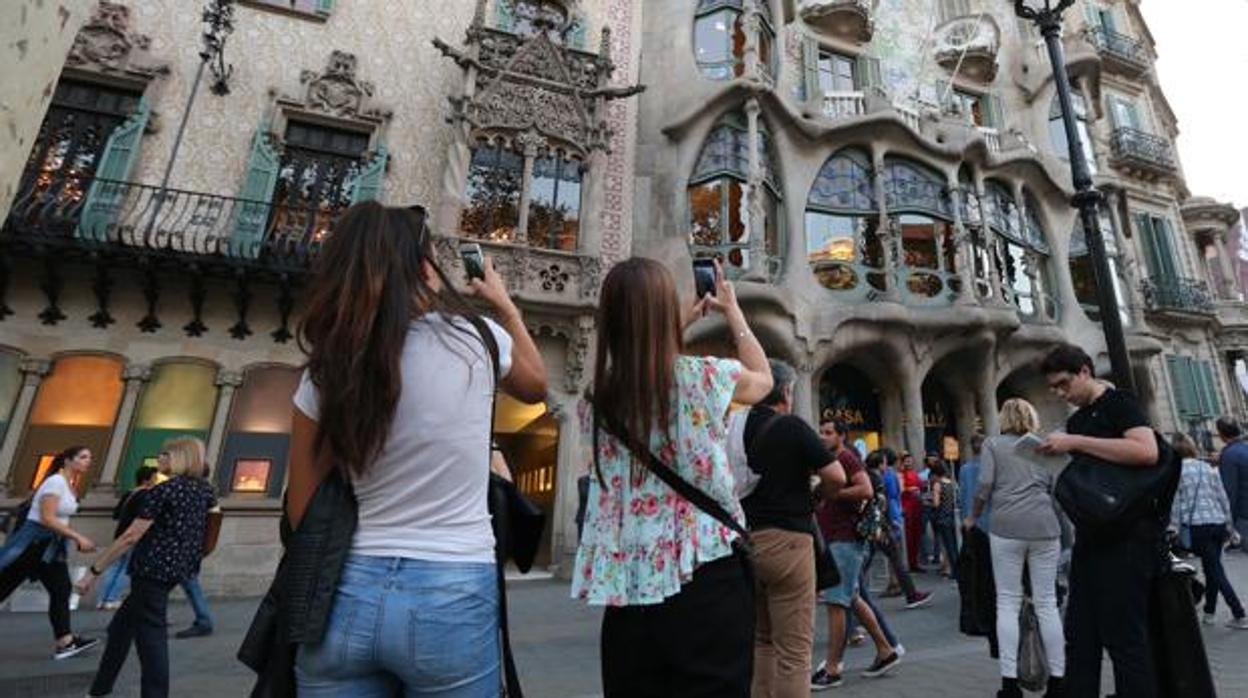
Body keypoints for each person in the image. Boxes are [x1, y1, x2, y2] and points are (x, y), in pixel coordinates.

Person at [279, 203, 548, 695]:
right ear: (425, 268)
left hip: (343, 593)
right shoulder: (478, 341)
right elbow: (536, 385)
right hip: (452, 589)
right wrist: (504, 306)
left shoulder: (328, 368)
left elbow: (303, 512)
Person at [574, 257, 773, 698]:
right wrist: (733, 312)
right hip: (704, 575)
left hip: (628, 585)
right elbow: (764, 379)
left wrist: (665, 320)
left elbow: (641, 365)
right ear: (665, 317)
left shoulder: (596, 400)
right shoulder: (702, 377)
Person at [1038, 345, 1162, 698]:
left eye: (1064, 384)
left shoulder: (1119, 403)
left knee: (1125, 638)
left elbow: (1145, 450)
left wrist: (1075, 441)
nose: (1061, 393)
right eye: (1054, 388)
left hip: (1128, 536)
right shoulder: (1079, 418)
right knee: (1080, 633)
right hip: (1092, 536)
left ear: (1084, 372)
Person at [77, 437, 217, 698]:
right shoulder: (204, 491)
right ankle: (99, 689)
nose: (159, 459)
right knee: (120, 629)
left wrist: (94, 571)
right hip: (178, 568)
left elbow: (131, 535)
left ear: (178, 457)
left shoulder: (163, 490)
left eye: (164, 454)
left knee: (151, 640)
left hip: (151, 569)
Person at [741, 359, 846, 698]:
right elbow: (836, 477)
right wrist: (818, 497)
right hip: (788, 541)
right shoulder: (791, 427)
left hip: (746, 542)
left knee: (762, 641)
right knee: (795, 653)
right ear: (786, 391)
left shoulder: (736, 427)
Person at [968, 398, 1065, 698]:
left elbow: (985, 484)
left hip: (1006, 526)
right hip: (1044, 526)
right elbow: (1057, 485)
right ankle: (1059, 681)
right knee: (1047, 602)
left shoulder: (993, 445)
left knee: (1007, 603)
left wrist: (973, 514)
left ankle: (1010, 684)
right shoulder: (1042, 445)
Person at [811, 420, 902, 689]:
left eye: (829, 432)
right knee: (850, 597)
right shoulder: (830, 459)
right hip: (836, 538)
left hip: (846, 539)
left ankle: (832, 668)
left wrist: (833, 493)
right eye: (822, 432)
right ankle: (886, 651)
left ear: (841, 436)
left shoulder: (846, 458)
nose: (823, 436)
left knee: (836, 602)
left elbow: (865, 489)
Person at [0, 446, 99, 660]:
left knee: (61, 589)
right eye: (82, 457)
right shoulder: (55, 482)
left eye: (89, 458)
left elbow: (60, 518)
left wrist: (70, 537)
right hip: (34, 544)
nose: (87, 461)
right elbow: (47, 517)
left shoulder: (68, 484)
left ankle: (65, 642)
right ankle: (65, 642)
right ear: (67, 460)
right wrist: (77, 537)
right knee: (4, 585)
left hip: (50, 546)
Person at [1169, 432, 1248, 628]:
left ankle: (1239, 613)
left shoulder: (1175, 472)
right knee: (1212, 565)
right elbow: (1223, 499)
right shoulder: (1208, 468)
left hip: (1197, 527)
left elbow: (1175, 505)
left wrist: (1173, 529)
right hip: (1217, 523)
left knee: (1215, 569)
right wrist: (1230, 527)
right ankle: (1210, 612)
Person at [97, 465, 159, 610]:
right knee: (126, 568)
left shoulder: (129, 493)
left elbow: (116, 514)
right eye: (154, 478)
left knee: (114, 565)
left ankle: (102, 599)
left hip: (120, 533)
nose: (156, 481)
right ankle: (112, 598)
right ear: (147, 479)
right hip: (133, 534)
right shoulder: (146, 495)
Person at [877, 448, 930, 608]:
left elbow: (892, 496)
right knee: (895, 556)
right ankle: (904, 589)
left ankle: (899, 587)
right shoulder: (892, 475)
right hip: (893, 516)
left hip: (891, 517)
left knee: (895, 555)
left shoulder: (888, 475)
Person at [1216, 417, 1248, 552]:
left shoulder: (1229, 455)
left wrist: (1229, 521)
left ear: (1221, 434)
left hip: (1244, 513)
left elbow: (1229, 490)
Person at [928, 460, 959, 578]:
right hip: (952, 517)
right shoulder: (952, 483)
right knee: (954, 545)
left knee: (948, 546)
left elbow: (936, 503)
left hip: (942, 518)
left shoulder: (938, 484)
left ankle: (955, 571)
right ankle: (958, 569)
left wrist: (929, 501)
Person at [899, 452, 925, 571]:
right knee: (908, 536)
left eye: (910, 460)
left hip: (917, 506)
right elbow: (901, 490)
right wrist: (910, 489)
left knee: (916, 535)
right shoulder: (901, 475)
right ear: (902, 462)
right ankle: (909, 563)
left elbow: (920, 486)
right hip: (907, 506)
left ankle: (915, 562)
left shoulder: (915, 474)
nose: (909, 462)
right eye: (907, 461)